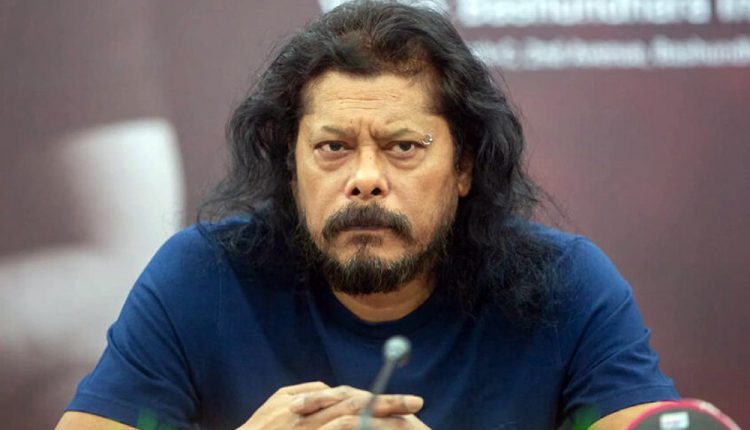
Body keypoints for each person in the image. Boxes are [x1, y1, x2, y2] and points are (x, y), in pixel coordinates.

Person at [56, 1, 679, 429]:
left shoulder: (565, 288)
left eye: (403, 147)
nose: (365, 179)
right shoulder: (203, 278)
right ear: (291, 165)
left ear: (463, 166)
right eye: (333, 148)